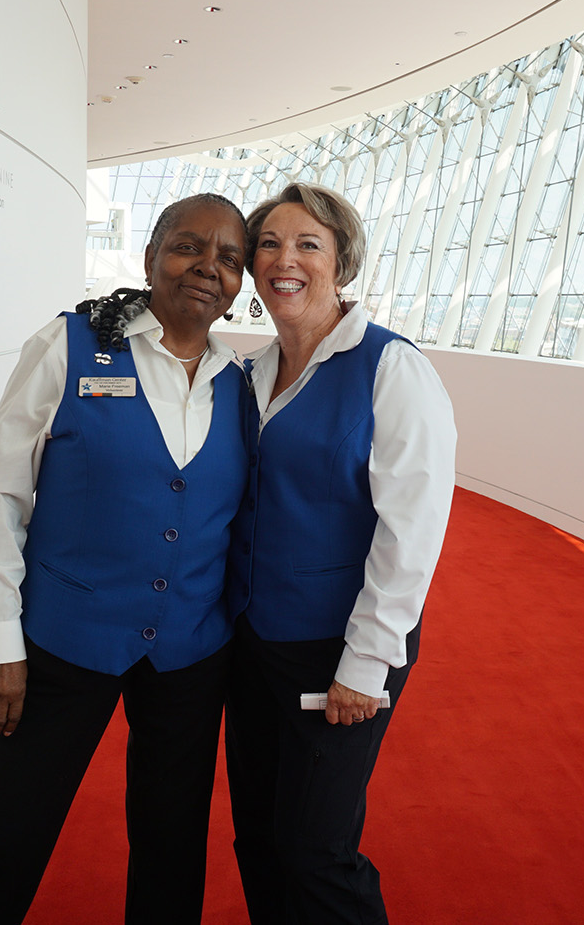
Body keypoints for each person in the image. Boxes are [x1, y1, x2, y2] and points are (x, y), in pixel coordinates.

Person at [0, 193, 249, 925]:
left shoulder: (242, 384)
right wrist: (0, 643)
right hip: (62, 644)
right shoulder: (69, 345)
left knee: (172, 846)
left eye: (229, 258)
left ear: (240, 284)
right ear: (150, 256)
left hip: (191, 654)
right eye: (189, 246)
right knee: (6, 836)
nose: (208, 267)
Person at [225, 182, 457, 924]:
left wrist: (367, 662)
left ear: (342, 262)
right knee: (257, 834)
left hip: (340, 647)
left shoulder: (392, 368)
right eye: (268, 244)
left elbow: (411, 529)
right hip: (253, 643)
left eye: (307, 244)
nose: (283, 260)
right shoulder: (251, 373)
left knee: (316, 850)